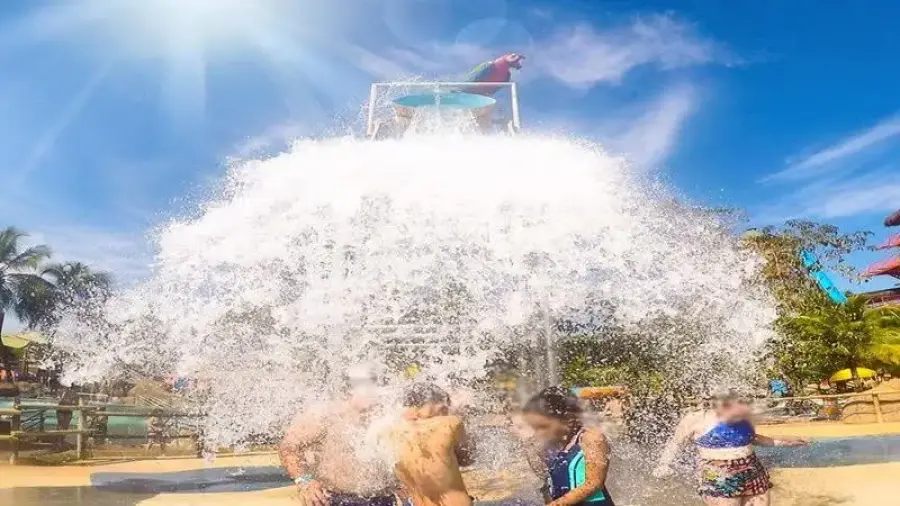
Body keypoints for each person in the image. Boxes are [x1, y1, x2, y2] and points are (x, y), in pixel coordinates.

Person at [653, 390, 808, 505]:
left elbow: (752, 439)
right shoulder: (695, 418)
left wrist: (785, 441)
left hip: (752, 469)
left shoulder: (743, 417)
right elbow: (675, 443)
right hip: (718, 472)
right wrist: (664, 464)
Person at [279, 366, 398, 506]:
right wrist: (305, 481)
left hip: (383, 499)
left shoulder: (388, 417)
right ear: (350, 390)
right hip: (336, 499)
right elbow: (288, 448)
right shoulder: (325, 415)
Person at [519, 387, 615, 506]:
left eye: (543, 427)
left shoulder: (591, 437)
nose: (537, 434)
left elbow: (594, 483)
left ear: (568, 420)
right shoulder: (553, 448)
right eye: (535, 428)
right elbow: (548, 483)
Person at [386, 382, 475, 506]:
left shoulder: (388, 432)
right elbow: (468, 459)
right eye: (445, 405)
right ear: (437, 403)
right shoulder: (450, 423)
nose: (447, 410)